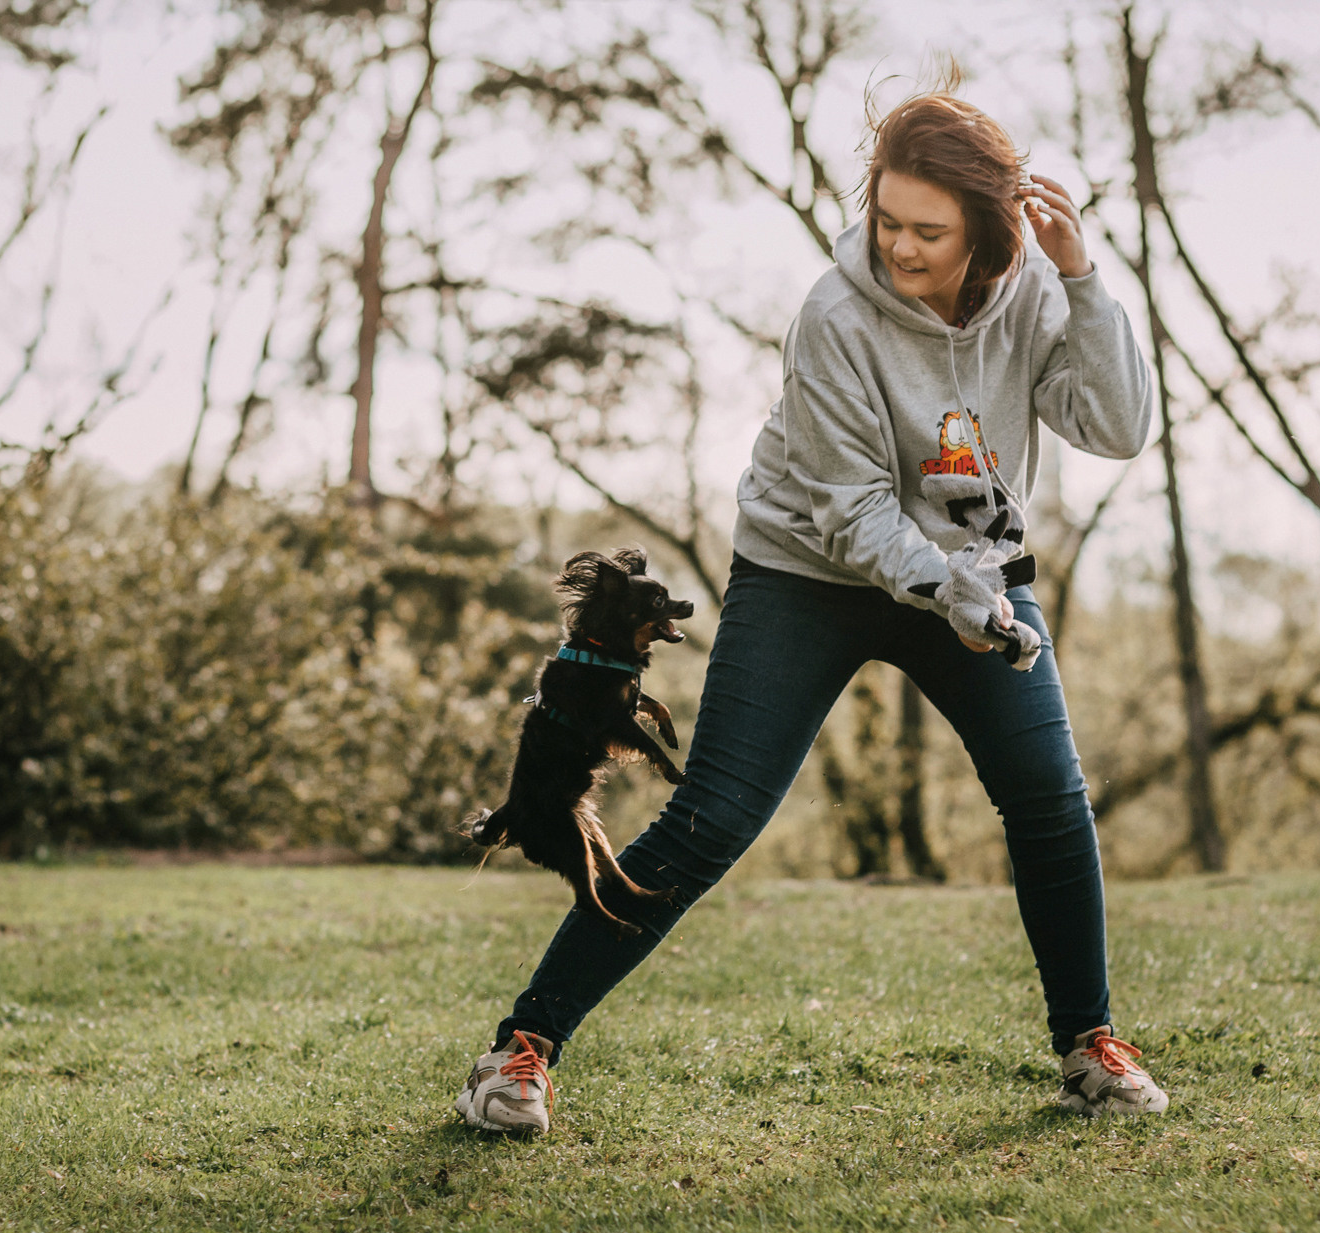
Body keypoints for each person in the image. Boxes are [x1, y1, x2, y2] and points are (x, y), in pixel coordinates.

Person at [452, 85, 1165, 1137]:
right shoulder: (834, 313)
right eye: (886, 221)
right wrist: (958, 598)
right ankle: (518, 1051)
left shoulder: (1033, 296)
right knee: (711, 821)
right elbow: (853, 512)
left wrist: (1083, 282)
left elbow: (1114, 424)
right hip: (809, 572)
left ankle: (1088, 1046)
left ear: (986, 227)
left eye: (928, 230)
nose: (900, 248)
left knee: (1049, 801)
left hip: (970, 572)